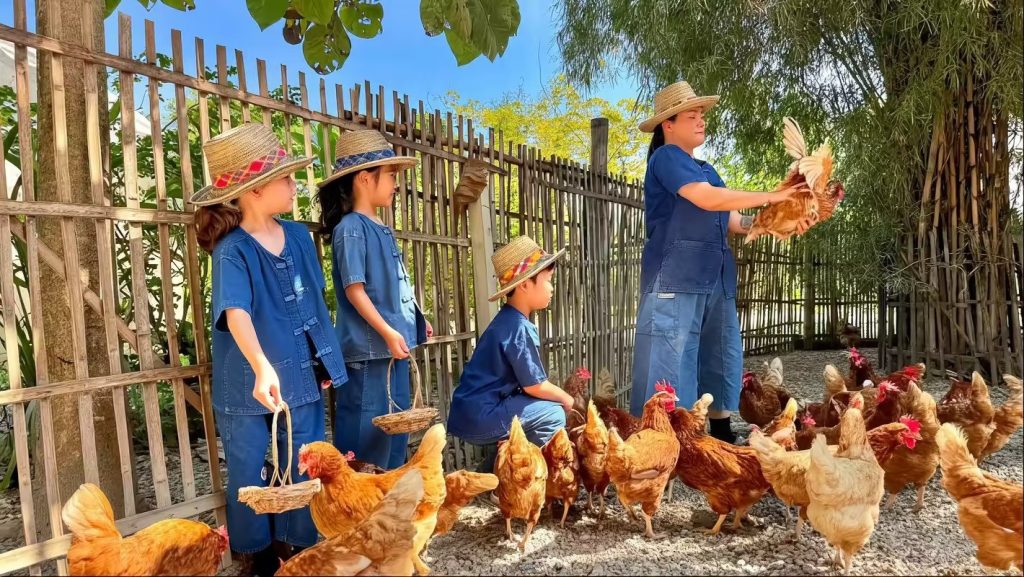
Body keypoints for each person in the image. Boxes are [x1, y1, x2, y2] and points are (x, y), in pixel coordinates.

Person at [193, 123, 348, 576]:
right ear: (256, 189)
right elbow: (235, 312)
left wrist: (323, 360)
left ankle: (297, 552)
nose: (294, 185)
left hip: (300, 374)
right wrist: (261, 366)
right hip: (247, 382)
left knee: (304, 459)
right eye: (286, 178)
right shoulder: (232, 250)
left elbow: (313, 301)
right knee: (247, 467)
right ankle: (256, 558)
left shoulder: (299, 237)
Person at [631, 81, 811, 443]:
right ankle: (669, 440)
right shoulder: (666, 159)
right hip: (676, 277)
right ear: (668, 124)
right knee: (672, 358)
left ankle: (720, 433)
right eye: (692, 116)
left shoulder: (707, 169)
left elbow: (734, 220)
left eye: (702, 115)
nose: (701, 121)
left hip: (714, 276)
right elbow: (708, 199)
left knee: (719, 353)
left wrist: (777, 221)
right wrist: (773, 195)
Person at [316, 129, 432, 470]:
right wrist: (388, 332)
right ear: (365, 178)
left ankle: (388, 499)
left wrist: (417, 321)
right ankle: (357, 502)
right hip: (369, 354)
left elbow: (393, 285)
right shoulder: (351, 228)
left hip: (392, 351)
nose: (396, 184)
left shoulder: (380, 226)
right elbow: (355, 290)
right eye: (391, 175)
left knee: (394, 438)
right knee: (365, 442)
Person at [447, 236, 574, 474]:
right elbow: (535, 385)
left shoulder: (507, 321)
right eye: (548, 280)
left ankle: (490, 475)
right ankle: (523, 477)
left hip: (473, 412)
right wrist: (567, 399)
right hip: (483, 414)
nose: (551, 288)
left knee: (539, 412)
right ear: (525, 284)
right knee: (553, 414)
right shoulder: (518, 328)